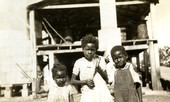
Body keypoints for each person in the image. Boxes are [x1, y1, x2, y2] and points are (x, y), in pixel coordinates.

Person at [71, 34, 113, 102]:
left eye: (92, 50)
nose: (89, 52)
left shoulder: (100, 59)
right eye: (87, 49)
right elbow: (72, 81)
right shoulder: (79, 62)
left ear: (96, 50)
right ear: (83, 49)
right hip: (88, 94)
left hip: (102, 94)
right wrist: (85, 82)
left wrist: (98, 68)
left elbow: (106, 79)